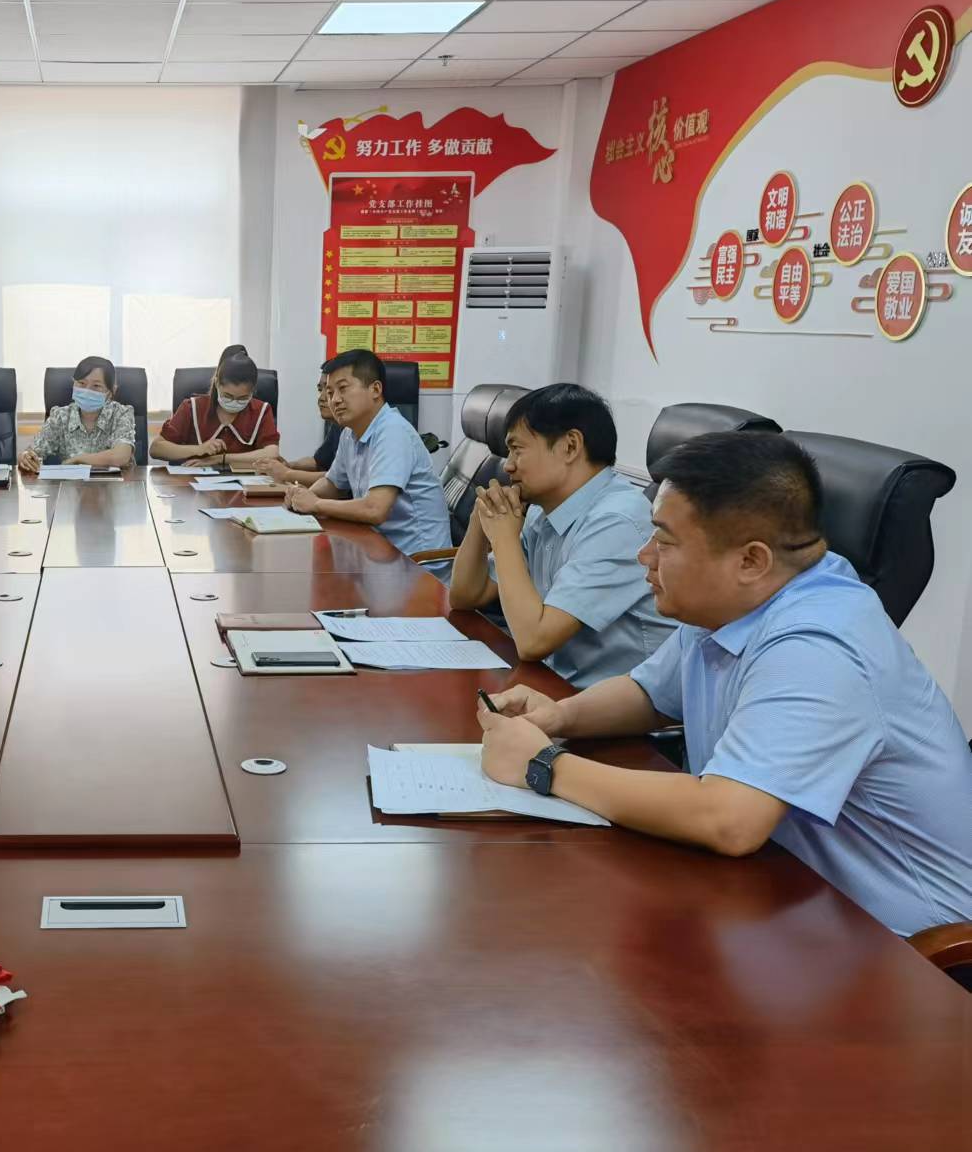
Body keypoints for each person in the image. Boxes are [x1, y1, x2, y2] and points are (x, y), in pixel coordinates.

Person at [477, 431, 972, 937]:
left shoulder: (820, 645)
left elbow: (730, 820)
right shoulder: (735, 601)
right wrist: (560, 716)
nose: (644, 556)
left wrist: (544, 765)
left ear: (751, 561)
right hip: (781, 896)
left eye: (664, 541)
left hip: (909, 949)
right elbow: (649, 693)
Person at [448, 383, 674, 687]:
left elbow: (534, 641)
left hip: (614, 704)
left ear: (570, 446)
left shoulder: (615, 522)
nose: (508, 465)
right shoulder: (544, 510)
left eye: (517, 449)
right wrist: (481, 520)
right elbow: (465, 596)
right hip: (555, 682)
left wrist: (503, 538)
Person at [283, 349, 450, 557]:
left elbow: (375, 509)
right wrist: (301, 495)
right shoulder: (349, 433)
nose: (334, 400)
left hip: (417, 561)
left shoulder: (393, 431)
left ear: (375, 389)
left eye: (343, 388)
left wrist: (315, 504)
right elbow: (333, 484)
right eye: (330, 392)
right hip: (379, 549)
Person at [150, 351, 280, 467]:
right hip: (195, 482)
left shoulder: (261, 411)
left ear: (253, 391)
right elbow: (156, 449)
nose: (234, 402)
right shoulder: (192, 407)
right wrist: (199, 449)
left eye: (242, 398)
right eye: (228, 396)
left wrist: (220, 459)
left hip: (246, 483)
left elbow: (272, 453)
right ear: (217, 383)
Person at [19, 355, 135, 473]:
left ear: (110, 392)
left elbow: (121, 456)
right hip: (72, 483)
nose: (87, 390)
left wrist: (79, 459)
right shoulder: (60, 416)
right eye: (81, 383)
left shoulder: (121, 414)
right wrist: (25, 456)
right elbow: (34, 451)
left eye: (96, 386)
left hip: (116, 483)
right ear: (74, 384)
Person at [256, 373, 339, 486]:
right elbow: (318, 461)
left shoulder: (350, 428)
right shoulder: (339, 427)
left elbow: (337, 479)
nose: (321, 398)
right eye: (320, 390)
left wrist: (287, 473)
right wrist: (289, 465)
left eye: (330, 391)